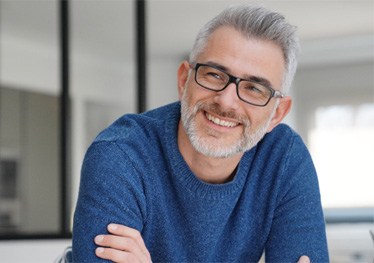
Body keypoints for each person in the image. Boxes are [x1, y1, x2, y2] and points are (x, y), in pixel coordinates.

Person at [72, 4, 329, 263]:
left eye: (254, 89)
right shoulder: (120, 154)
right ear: (184, 80)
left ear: (277, 113)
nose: (227, 102)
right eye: (215, 75)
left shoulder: (284, 158)